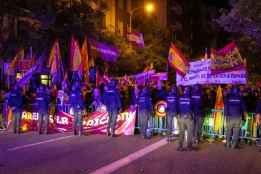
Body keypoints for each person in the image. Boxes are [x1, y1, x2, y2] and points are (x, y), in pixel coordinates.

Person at [177, 86, 194, 151]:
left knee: (181, 132)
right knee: (189, 132)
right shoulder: (190, 98)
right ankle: (189, 147)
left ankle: (180, 146)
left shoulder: (180, 98)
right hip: (188, 117)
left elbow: (178, 107)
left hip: (181, 117)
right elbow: (192, 108)